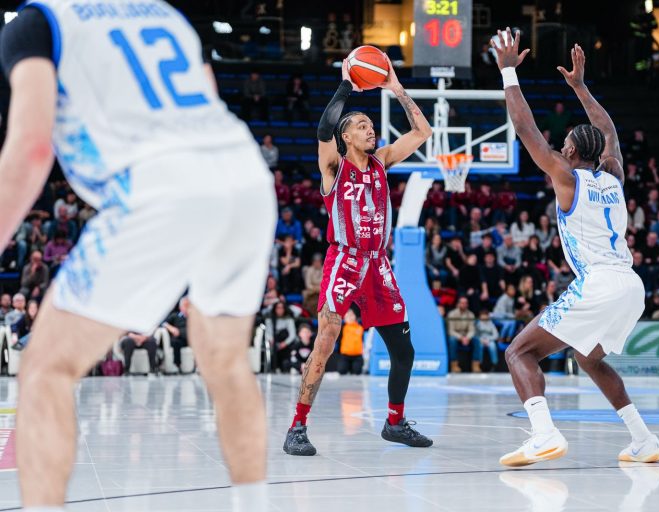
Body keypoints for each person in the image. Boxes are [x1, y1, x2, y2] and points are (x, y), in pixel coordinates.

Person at [0, 3, 277, 509]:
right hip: (244, 176)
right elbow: (206, 101)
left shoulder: (39, 23)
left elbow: (32, 148)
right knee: (225, 359)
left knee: (46, 368)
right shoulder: (165, 14)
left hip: (157, 187)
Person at [491, 32, 659, 467]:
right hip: (630, 285)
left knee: (519, 352)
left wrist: (508, 70)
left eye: (564, 142)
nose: (561, 145)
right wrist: (580, 88)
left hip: (600, 283)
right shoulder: (614, 175)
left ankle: (543, 434)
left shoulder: (566, 178)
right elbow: (608, 131)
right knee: (589, 358)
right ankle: (643, 439)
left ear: (568, 150)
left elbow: (525, 127)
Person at [283, 53, 433, 456]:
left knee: (404, 351)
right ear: (346, 136)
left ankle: (395, 422)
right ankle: (297, 426)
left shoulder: (382, 162)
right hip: (345, 260)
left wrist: (397, 89)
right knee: (327, 340)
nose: (370, 130)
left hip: (378, 265)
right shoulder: (333, 166)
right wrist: (347, 84)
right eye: (362, 126)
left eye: (370, 125)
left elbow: (422, 131)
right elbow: (323, 128)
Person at [447, 296, 480, 373]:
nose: (464, 304)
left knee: (477, 340)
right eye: (462, 303)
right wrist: (461, 338)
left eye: (465, 303)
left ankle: (475, 365)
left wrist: (467, 338)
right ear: (458, 304)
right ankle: (454, 365)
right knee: (452, 340)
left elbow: (472, 330)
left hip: (467, 336)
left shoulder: (471, 314)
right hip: (456, 335)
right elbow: (450, 331)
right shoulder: (452, 314)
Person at [162, 297, 191, 373]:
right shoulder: (175, 316)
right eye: (185, 305)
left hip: (191, 338)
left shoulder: (193, 317)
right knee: (175, 341)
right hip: (180, 340)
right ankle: (177, 365)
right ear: (180, 307)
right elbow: (163, 323)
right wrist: (171, 328)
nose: (187, 308)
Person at [337, 310, 364, 375]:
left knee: (357, 371)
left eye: (351, 315)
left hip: (357, 355)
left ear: (355, 316)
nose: (350, 317)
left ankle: (353, 368)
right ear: (344, 318)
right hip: (345, 355)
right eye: (347, 316)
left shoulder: (360, 327)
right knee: (341, 371)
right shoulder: (342, 327)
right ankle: (348, 367)